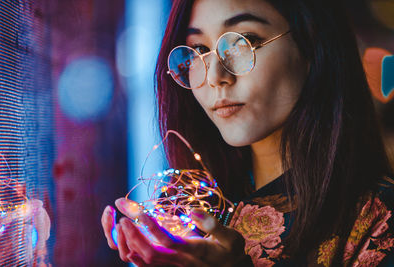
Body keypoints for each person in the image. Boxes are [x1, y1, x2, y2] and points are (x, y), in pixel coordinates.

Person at [102, 0, 394, 266]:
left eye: (245, 42)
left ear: (312, 45)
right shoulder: (186, 211)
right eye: (200, 50)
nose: (215, 76)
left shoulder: (376, 219)